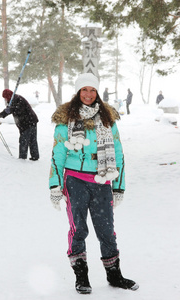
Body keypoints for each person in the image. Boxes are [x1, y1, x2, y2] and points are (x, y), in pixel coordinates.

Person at [49, 73, 139, 294]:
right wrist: (55, 185)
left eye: (92, 90)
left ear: (97, 93)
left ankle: (114, 275)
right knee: (78, 229)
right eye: (84, 90)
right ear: (78, 92)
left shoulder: (107, 119)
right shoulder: (65, 120)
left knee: (107, 230)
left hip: (102, 181)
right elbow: (57, 154)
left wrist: (119, 186)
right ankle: (81, 277)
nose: (88, 94)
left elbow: (118, 154)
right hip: (75, 181)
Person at [0, 89, 39, 161]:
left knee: (25, 140)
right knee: (31, 139)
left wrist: (11, 109)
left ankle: (22, 158)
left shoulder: (18, 99)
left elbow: (19, 109)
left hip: (28, 122)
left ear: (8, 96)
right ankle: (34, 156)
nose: (5, 99)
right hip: (30, 121)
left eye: (5, 98)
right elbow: (8, 110)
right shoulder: (13, 100)